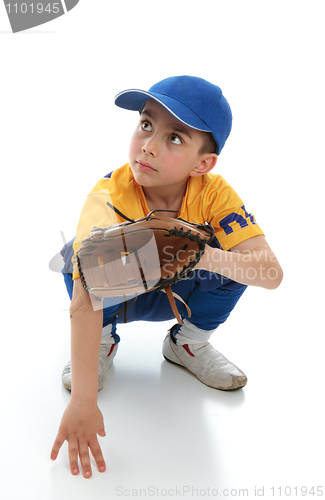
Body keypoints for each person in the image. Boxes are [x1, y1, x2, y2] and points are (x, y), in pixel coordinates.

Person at [50, 75, 283, 478]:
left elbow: (270, 272)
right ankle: (100, 345)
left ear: (202, 164)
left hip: (178, 295)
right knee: (79, 257)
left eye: (175, 137)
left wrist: (202, 256)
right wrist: (84, 401)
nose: (149, 145)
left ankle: (186, 345)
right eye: (146, 124)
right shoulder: (108, 194)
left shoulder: (213, 193)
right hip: (117, 299)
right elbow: (84, 296)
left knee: (235, 258)